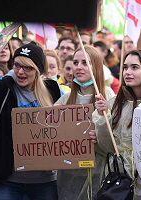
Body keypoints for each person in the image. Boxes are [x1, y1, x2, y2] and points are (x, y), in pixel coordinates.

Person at [0, 42, 58, 200]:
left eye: (27, 67)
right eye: (17, 66)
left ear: (38, 69)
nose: (21, 72)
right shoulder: (2, 87)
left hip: (44, 180)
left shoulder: (52, 89)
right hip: (7, 180)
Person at [93, 49, 141, 200]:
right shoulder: (114, 104)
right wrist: (102, 117)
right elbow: (107, 147)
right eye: (125, 67)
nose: (127, 72)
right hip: (119, 180)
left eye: (134, 67)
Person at [55, 45, 115, 200]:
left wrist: (101, 132)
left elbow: (116, 140)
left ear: (96, 66)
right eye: (75, 63)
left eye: (85, 63)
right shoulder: (65, 99)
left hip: (99, 173)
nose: (79, 67)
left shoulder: (108, 96)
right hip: (68, 176)